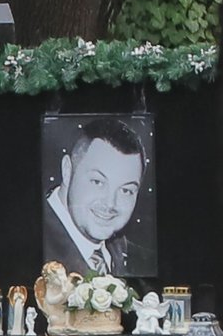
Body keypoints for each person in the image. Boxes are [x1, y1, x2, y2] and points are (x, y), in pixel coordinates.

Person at [43, 118, 155, 277]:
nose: (110, 203)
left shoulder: (137, 258)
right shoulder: (32, 245)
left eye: (126, 191)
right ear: (67, 171)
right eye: (98, 182)